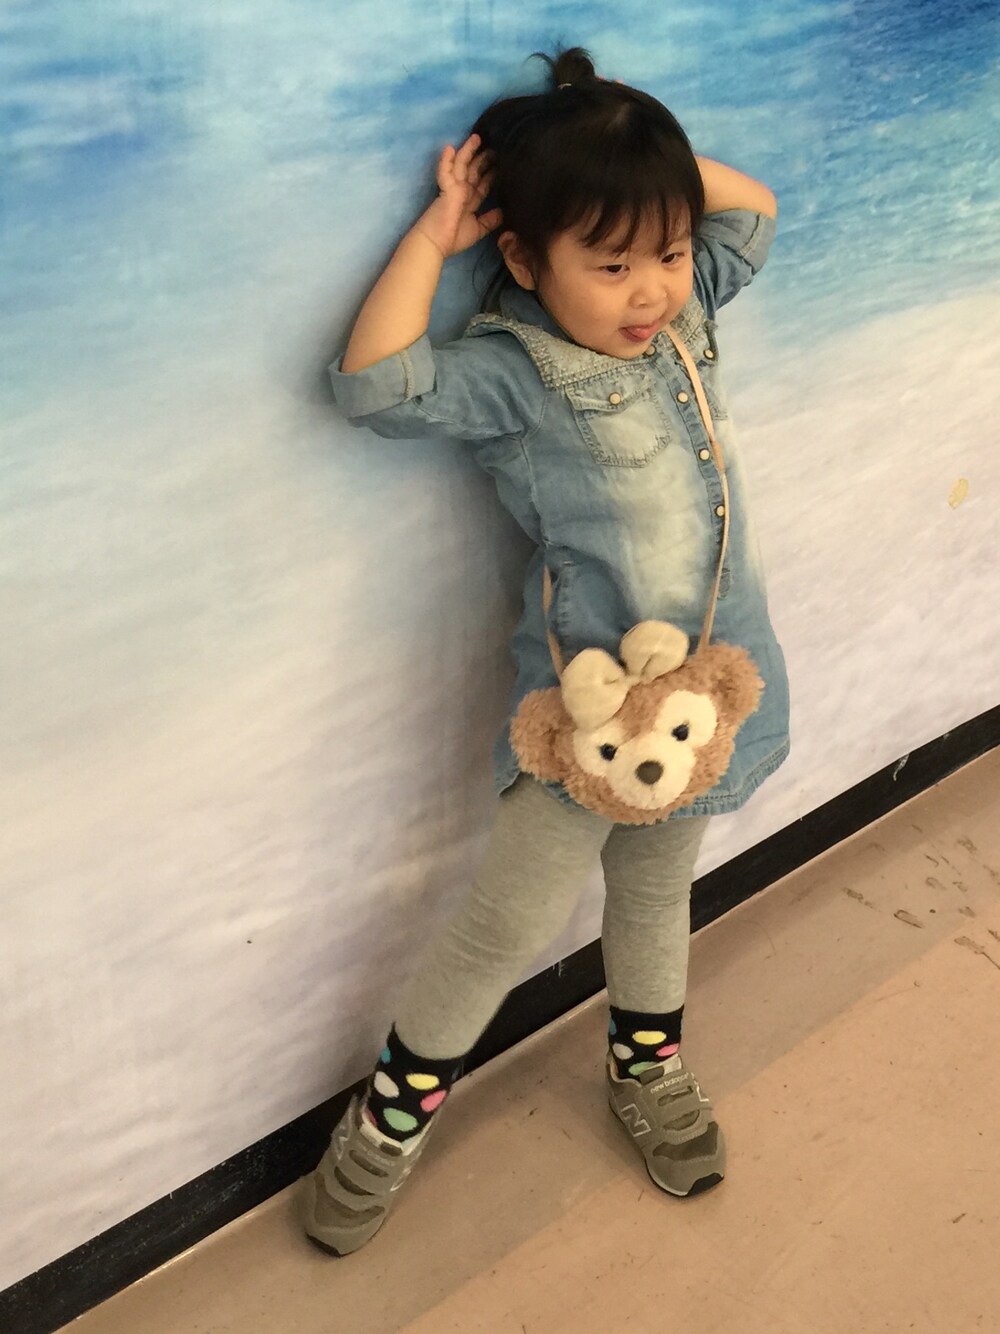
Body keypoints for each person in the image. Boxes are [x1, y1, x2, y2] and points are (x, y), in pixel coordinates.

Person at [300, 46, 789, 1256]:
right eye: (609, 263)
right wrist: (440, 236)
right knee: (503, 927)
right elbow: (373, 386)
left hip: (706, 697)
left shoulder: (688, 312)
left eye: (664, 252)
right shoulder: (517, 374)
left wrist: (637, 168)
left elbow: (753, 210)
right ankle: (386, 1122)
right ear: (524, 260)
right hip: (588, 722)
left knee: (657, 894)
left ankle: (646, 1067)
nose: (648, 290)